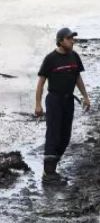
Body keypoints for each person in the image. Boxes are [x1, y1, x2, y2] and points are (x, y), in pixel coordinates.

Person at [34, 27, 91, 184]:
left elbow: (77, 77)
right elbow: (40, 83)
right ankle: (49, 173)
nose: (72, 41)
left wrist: (85, 97)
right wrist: (38, 105)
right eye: (69, 38)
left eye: (73, 38)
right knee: (54, 134)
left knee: (65, 136)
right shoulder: (50, 59)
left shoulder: (74, 56)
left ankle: (52, 167)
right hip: (54, 101)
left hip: (68, 101)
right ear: (60, 41)